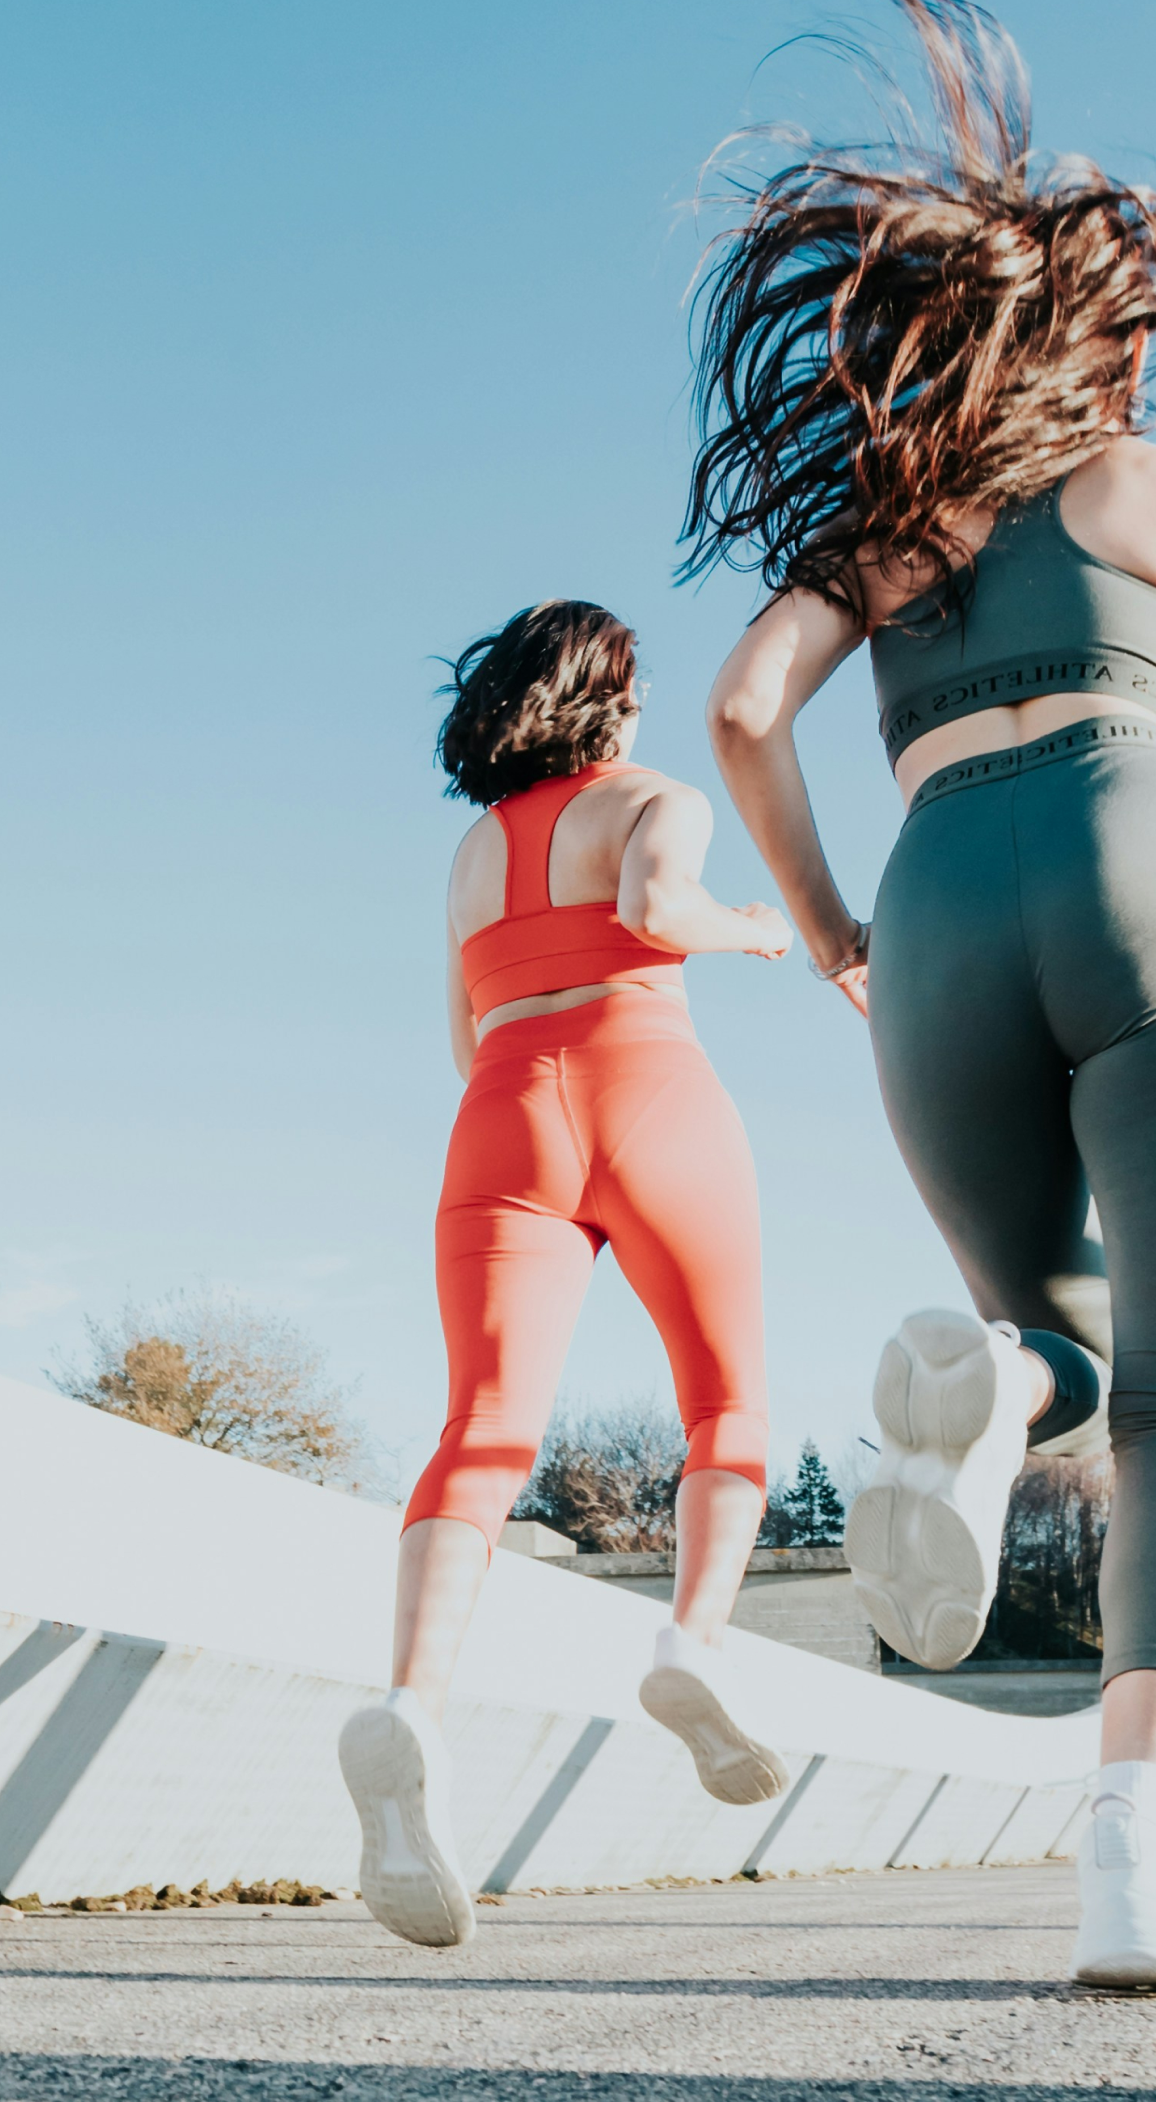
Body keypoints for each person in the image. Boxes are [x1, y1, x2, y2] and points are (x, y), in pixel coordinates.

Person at [691, 0, 1156, 1993]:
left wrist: (827, 932)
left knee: (1043, 1333)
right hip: (1143, 849)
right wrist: (1147, 836)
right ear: (1110, 341)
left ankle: (990, 1397)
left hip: (930, 908)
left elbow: (731, 711)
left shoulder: (880, 523)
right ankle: (1139, 1876)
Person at [340, 599, 795, 1949]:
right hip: (648, 1083)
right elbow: (658, 909)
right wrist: (760, 931)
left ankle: (411, 1704)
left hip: (500, 1110)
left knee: (480, 1430)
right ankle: (688, 1647)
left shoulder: (472, 852)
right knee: (729, 1404)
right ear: (613, 692)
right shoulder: (661, 798)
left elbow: (461, 1025)